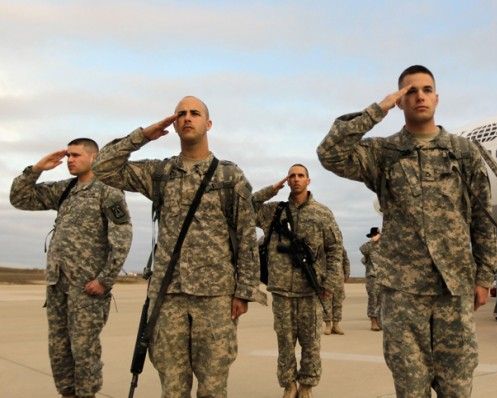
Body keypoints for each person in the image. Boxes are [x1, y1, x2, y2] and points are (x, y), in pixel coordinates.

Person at [317, 65, 497, 397]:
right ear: (400, 100)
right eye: (410, 91)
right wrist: (377, 109)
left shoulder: (463, 152)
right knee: (409, 385)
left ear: (437, 97)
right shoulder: (384, 153)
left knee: (457, 384)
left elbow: (482, 219)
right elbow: (330, 153)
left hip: (453, 287)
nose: (420, 96)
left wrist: (484, 276)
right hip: (402, 290)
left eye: (427, 90)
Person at [92, 96, 265, 397]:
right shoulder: (160, 173)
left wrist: (244, 291)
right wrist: (143, 135)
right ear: (174, 122)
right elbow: (103, 167)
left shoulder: (229, 176)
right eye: (181, 113)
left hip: (215, 297)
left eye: (195, 113)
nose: (187, 118)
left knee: (212, 388)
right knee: (172, 388)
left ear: (208, 123)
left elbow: (246, 235)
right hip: (167, 295)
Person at [10, 139, 132, 398]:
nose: (69, 160)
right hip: (57, 285)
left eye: (75, 156)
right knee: (59, 349)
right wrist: (37, 168)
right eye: (68, 156)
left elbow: (121, 239)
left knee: (84, 350)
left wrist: (105, 280)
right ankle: (67, 393)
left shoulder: (108, 191)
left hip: (87, 290)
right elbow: (20, 198)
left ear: (93, 157)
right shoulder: (65, 190)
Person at [251, 164, 342, 398]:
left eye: (301, 175)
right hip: (281, 290)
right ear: (287, 181)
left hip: (311, 291)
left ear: (308, 181)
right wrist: (271, 189)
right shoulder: (274, 212)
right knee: (285, 343)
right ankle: (289, 385)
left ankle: (307, 385)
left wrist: (329, 284)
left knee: (311, 343)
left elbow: (334, 250)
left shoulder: (322, 213)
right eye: (292, 176)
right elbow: (246, 207)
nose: (296, 179)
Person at [322, 248, 351, 335]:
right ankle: (328, 325)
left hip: (339, 279)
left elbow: (346, 261)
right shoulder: (323, 248)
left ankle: (336, 325)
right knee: (326, 302)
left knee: (338, 302)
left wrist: (347, 273)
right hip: (326, 279)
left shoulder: (341, 249)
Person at [360, 227, 382, 331]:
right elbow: (362, 249)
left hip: (383, 277)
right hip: (372, 277)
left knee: (381, 300)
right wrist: (372, 240)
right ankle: (373, 322)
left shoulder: (384, 246)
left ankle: (380, 321)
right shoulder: (370, 246)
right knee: (373, 299)